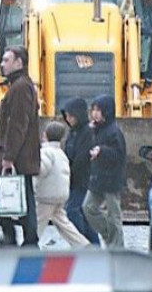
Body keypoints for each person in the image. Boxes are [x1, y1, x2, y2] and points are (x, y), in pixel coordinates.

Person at [0, 46, 40, 248]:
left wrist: (9, 156)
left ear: (19, 62)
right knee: (23, 195)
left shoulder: (20, 87)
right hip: (20, 154)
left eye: (6, 60)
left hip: (18, 155)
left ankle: (23, 238)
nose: (2, 64)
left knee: (2, 192)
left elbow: (18, 124)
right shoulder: (19, 85)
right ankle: (25, 238)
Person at [34, 121, 91, 248]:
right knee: (64, 224)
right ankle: (83, 244)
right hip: (61, 195)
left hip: (47, 196)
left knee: (37, 223)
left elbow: (41, 170)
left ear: (45, 135)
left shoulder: (46, 152)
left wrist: (33, 184)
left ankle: (28, 245)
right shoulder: (61, 153)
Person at [83, 95, 126, 248]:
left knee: (114, 214)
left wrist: (101, 151)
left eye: (98, 110)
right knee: (88, 208)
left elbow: (119, 154)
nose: (95, 113)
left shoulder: (114, 131)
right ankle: (109, 235)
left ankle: (117, 246)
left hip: (111, 179)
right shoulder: (96, 129)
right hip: (98, 178)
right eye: (93, 110)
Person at [61, 98, 101, 246]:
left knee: (73, 210)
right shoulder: (73, 133)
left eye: (70, 115)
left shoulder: (86, 133)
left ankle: (83, 243)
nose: (68, 119)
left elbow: (82, 158)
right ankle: (92, 246)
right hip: (74, 179)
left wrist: (69, 172)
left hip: (83, 180)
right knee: (84, 215)